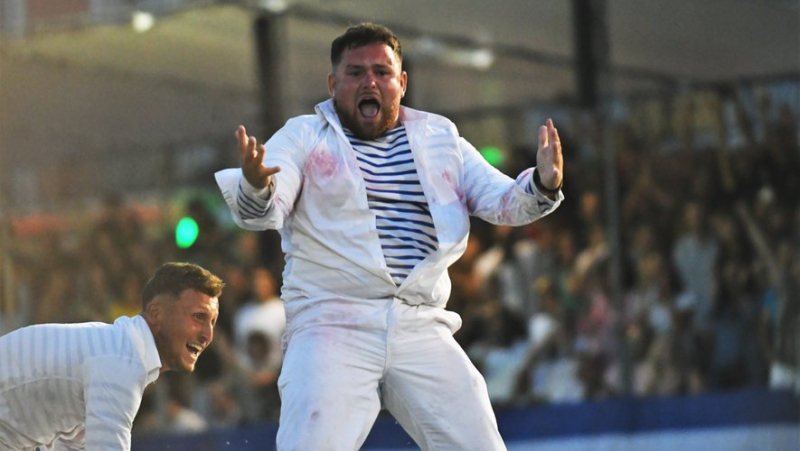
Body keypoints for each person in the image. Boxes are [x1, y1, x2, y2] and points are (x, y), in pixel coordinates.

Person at [215, 22, 564, 450]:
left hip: (419, 322)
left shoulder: (441, 139)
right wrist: (255, 185)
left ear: (401, 82)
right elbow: (267, 206)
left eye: (381, 72)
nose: (369, 82)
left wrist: (543, 185)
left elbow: (503, 201)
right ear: (332, 84)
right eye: (355, 72)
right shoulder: (304, 135)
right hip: (332, 322)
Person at [0, 262, 224, 450]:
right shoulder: (122, 362)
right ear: (156, 313)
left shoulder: (116, 348)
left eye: (212, 322)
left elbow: (72, 444)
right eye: (198, 317)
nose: (208, 335)